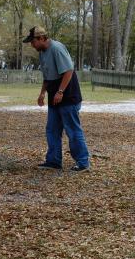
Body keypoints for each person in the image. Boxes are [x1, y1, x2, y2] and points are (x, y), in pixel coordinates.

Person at [23, 26, 90, 172]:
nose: (32, 45)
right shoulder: (42, 53)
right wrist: (42, 93)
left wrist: (60, 91)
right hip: (54, 97)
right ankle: (53, 161)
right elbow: (47, 76)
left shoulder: (57, 48)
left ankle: (83, 162)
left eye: (33, 41)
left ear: (41, 38)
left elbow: (68, 71)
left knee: (72, 130)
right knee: (52, 129)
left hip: (68, 96)